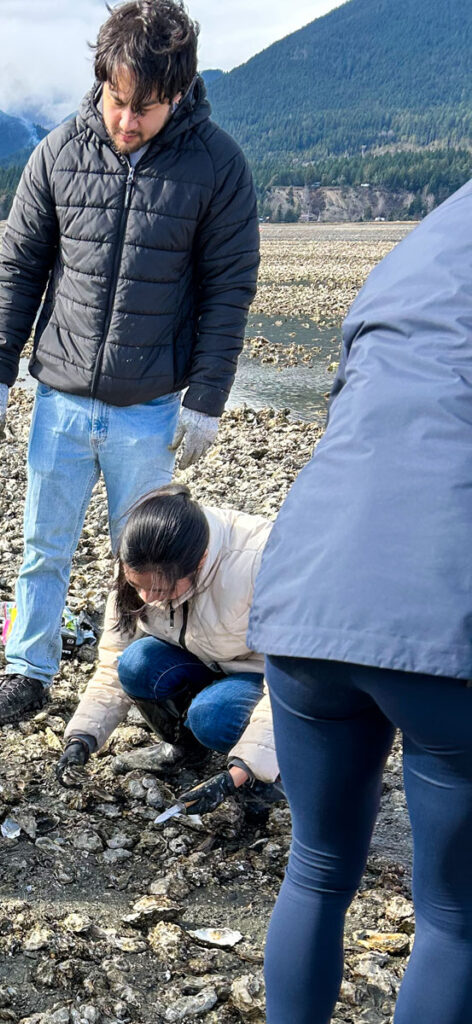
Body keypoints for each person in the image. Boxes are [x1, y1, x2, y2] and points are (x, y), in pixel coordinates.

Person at [0, 0, 259, 726]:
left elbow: (229, 292)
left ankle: (119, 684)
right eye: (116, 99)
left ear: (180, 93)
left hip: (153, 406)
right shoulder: (60, 150)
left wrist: (207, 399)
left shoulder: (218, 166)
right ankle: (27, 667)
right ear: (100, 79)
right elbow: (20, 268)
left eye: (146, 107)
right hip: (61, 397)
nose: (126, 121)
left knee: (140, 561)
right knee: (43, 545)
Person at [247, 182, 472, 1024]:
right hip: (443, 614)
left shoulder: (419, 248)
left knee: (317, 864)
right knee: (454, 919)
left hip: (311, 590)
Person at [56, 485, 280, 811]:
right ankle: (186, 751)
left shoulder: (260, 563)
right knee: (136, 664)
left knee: (212, 715)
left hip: (264, 676)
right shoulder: (142, 557)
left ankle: (271, 779)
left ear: (200, 561)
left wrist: (241, 772)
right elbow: (113, 660)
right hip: (204, 658)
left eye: (160, 588)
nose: (147, 598)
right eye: (137, 586)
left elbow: (294, 683)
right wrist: (82, 738)